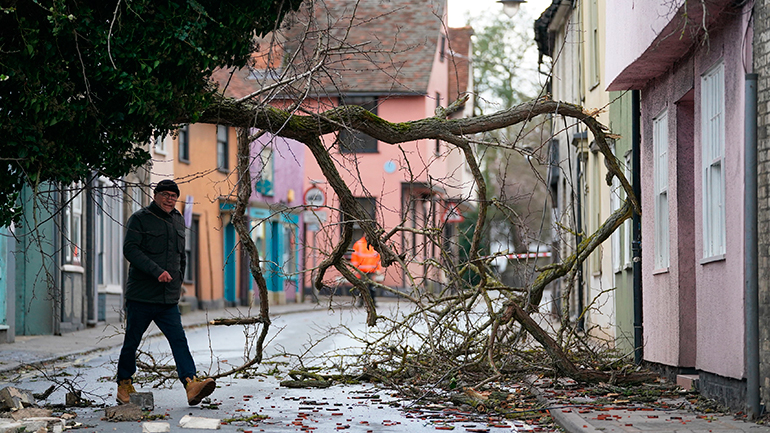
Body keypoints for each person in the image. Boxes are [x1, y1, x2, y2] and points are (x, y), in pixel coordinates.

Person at [116, 179, 215, 406]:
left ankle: (191, 384)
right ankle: (124, 385)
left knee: (179, 340)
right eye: (166, 195)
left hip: (167, 298)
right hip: (141, 295)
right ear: (156, 195)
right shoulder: (140, 219)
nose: (170, 199)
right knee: (132, 341)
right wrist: (156, 271)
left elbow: (182, 256)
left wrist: (178, 280)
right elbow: (130, 249)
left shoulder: (178, 220)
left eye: (173, 196)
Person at [350, 235, 383, 306]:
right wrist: (355, 269)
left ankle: (372, 302)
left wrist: (378, 269)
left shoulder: (374, 244)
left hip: (372, 270)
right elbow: (355, 258)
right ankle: (361, 302)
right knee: (362, 286)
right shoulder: (358, 244)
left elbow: (378, 258)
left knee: (372, 287)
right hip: (361, 270)